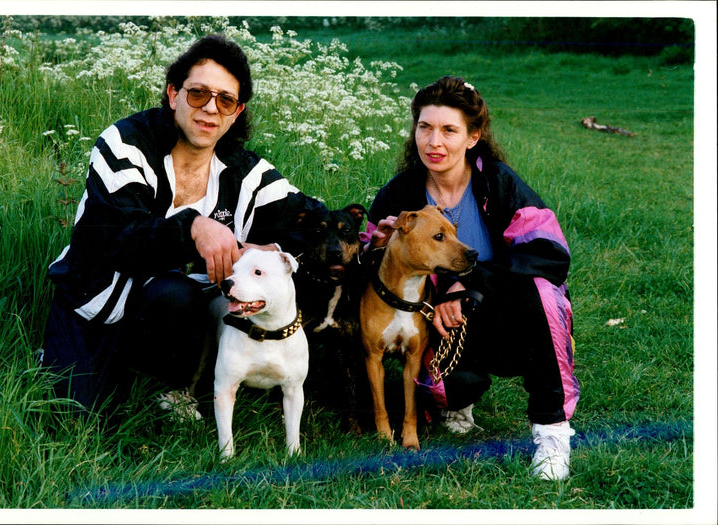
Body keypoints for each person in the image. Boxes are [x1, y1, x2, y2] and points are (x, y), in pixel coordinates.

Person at [41, 34, 323, 415]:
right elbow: (120, 238)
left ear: (236, 113)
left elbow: (315, 220)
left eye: (225, 100)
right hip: (96, 300)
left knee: (179, 293)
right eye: (198, 94)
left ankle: (175, 385)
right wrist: (194, 227)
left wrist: (274, 251)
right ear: (173, 94)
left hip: (176, 309)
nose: (210, 109)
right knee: (74, 415)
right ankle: (79, 362)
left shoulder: (246, 173)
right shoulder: (126, 144)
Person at [365, 76, 579, 480]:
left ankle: (552, 435)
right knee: (441, 385)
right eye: (425, 127)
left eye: (449, 130)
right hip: (441, 325)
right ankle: (456, 403)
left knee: (543, 294)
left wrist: (470, 283)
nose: (434, 142)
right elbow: (368, 263)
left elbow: (549, 254)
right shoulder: (402, 192)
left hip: (510, 315)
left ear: (473, 136)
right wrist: (377, 248)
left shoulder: (497, 183)